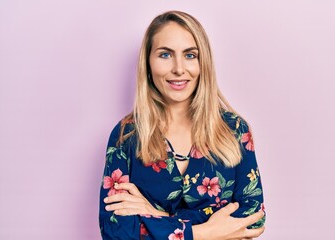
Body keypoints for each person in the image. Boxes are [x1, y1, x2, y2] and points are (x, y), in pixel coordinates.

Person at [99, 10, 266, 240]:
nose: (179, 68)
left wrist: (152, 214)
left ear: (202, 63)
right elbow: (116, 233)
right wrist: (207, 232)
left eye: (190, 55)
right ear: (148, 63)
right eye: (165, 55)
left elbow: (253, 221)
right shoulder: (126, 136)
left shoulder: (235, 130)